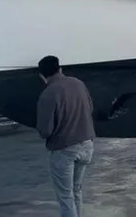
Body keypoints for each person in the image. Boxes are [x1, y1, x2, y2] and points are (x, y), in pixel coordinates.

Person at [36, 55, 96, 217]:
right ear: (60, 68)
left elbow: (45, 131)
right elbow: (90, 109)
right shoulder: (78, 83)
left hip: (64, 149)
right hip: (87, 144)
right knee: (76, 190)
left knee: (65, 196)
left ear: (42, 76)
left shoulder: (48, 94)